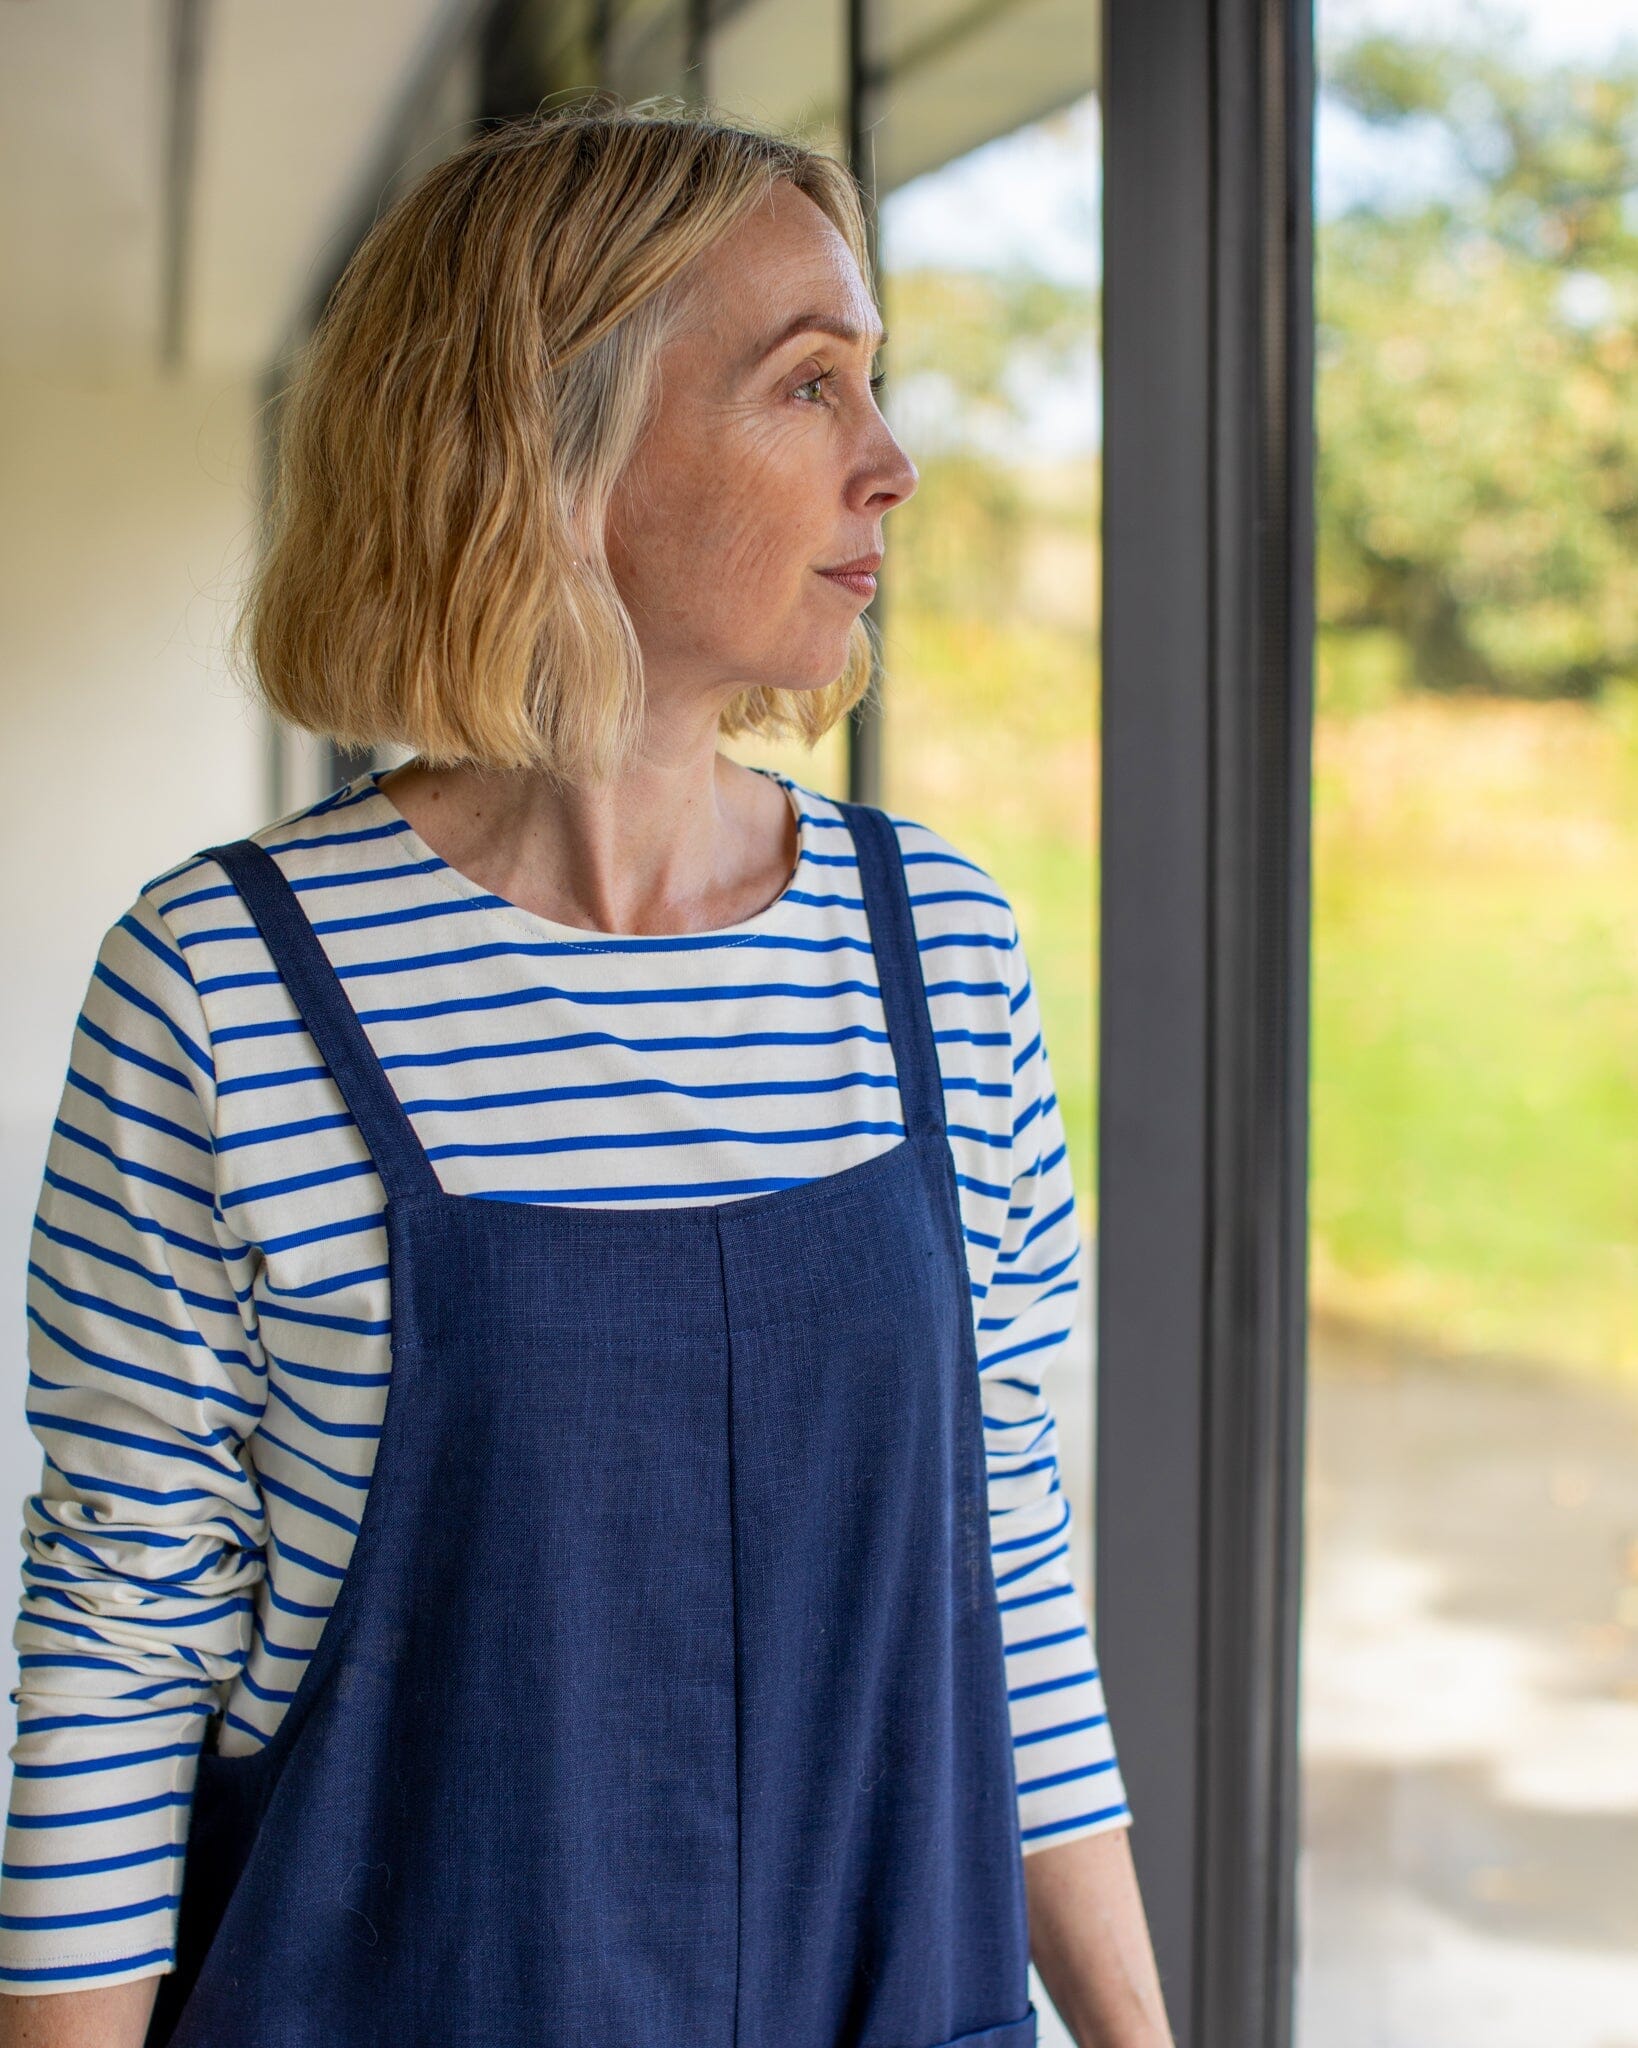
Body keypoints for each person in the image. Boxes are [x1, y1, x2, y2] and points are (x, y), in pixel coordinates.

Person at [0, 104, 1174, 2048]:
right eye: (810, 386)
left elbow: (1012, 1577)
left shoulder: (935, 955)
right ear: (556, 441)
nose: (891, 467)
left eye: (874, 385)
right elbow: (120, 1646)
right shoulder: (223, 986)